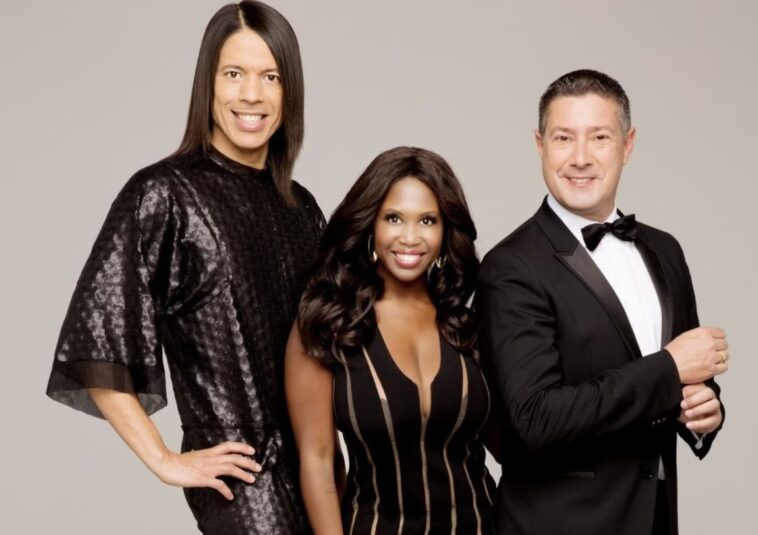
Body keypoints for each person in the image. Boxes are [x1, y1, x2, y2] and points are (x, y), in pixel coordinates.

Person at [45, 2, 323, 533]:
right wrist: (164, 460)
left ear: (290, 90)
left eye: (271, 76)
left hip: (320, 472)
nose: (252, 94)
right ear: (207, 84)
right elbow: (94, 338)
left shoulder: (301, 207)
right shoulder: (164, 194)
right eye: (234, 73)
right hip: (244, 486)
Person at [477, 69, 728, 535]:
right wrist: (669, 369)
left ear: (627, 145)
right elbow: (534, 419)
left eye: (599, 137)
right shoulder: (510, 266)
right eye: (563, 138)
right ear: (539, 145)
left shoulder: (665, 250)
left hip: (654, 521)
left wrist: (704, 412)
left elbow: (686, 379)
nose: (580, 157)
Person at [286, 146, 497, 534]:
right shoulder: (327, 324)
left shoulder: (467, 323)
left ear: (446, 230)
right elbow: (317, 460)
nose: (410, 237)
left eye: (428, 220)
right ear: (371, 224)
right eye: (394, 218)